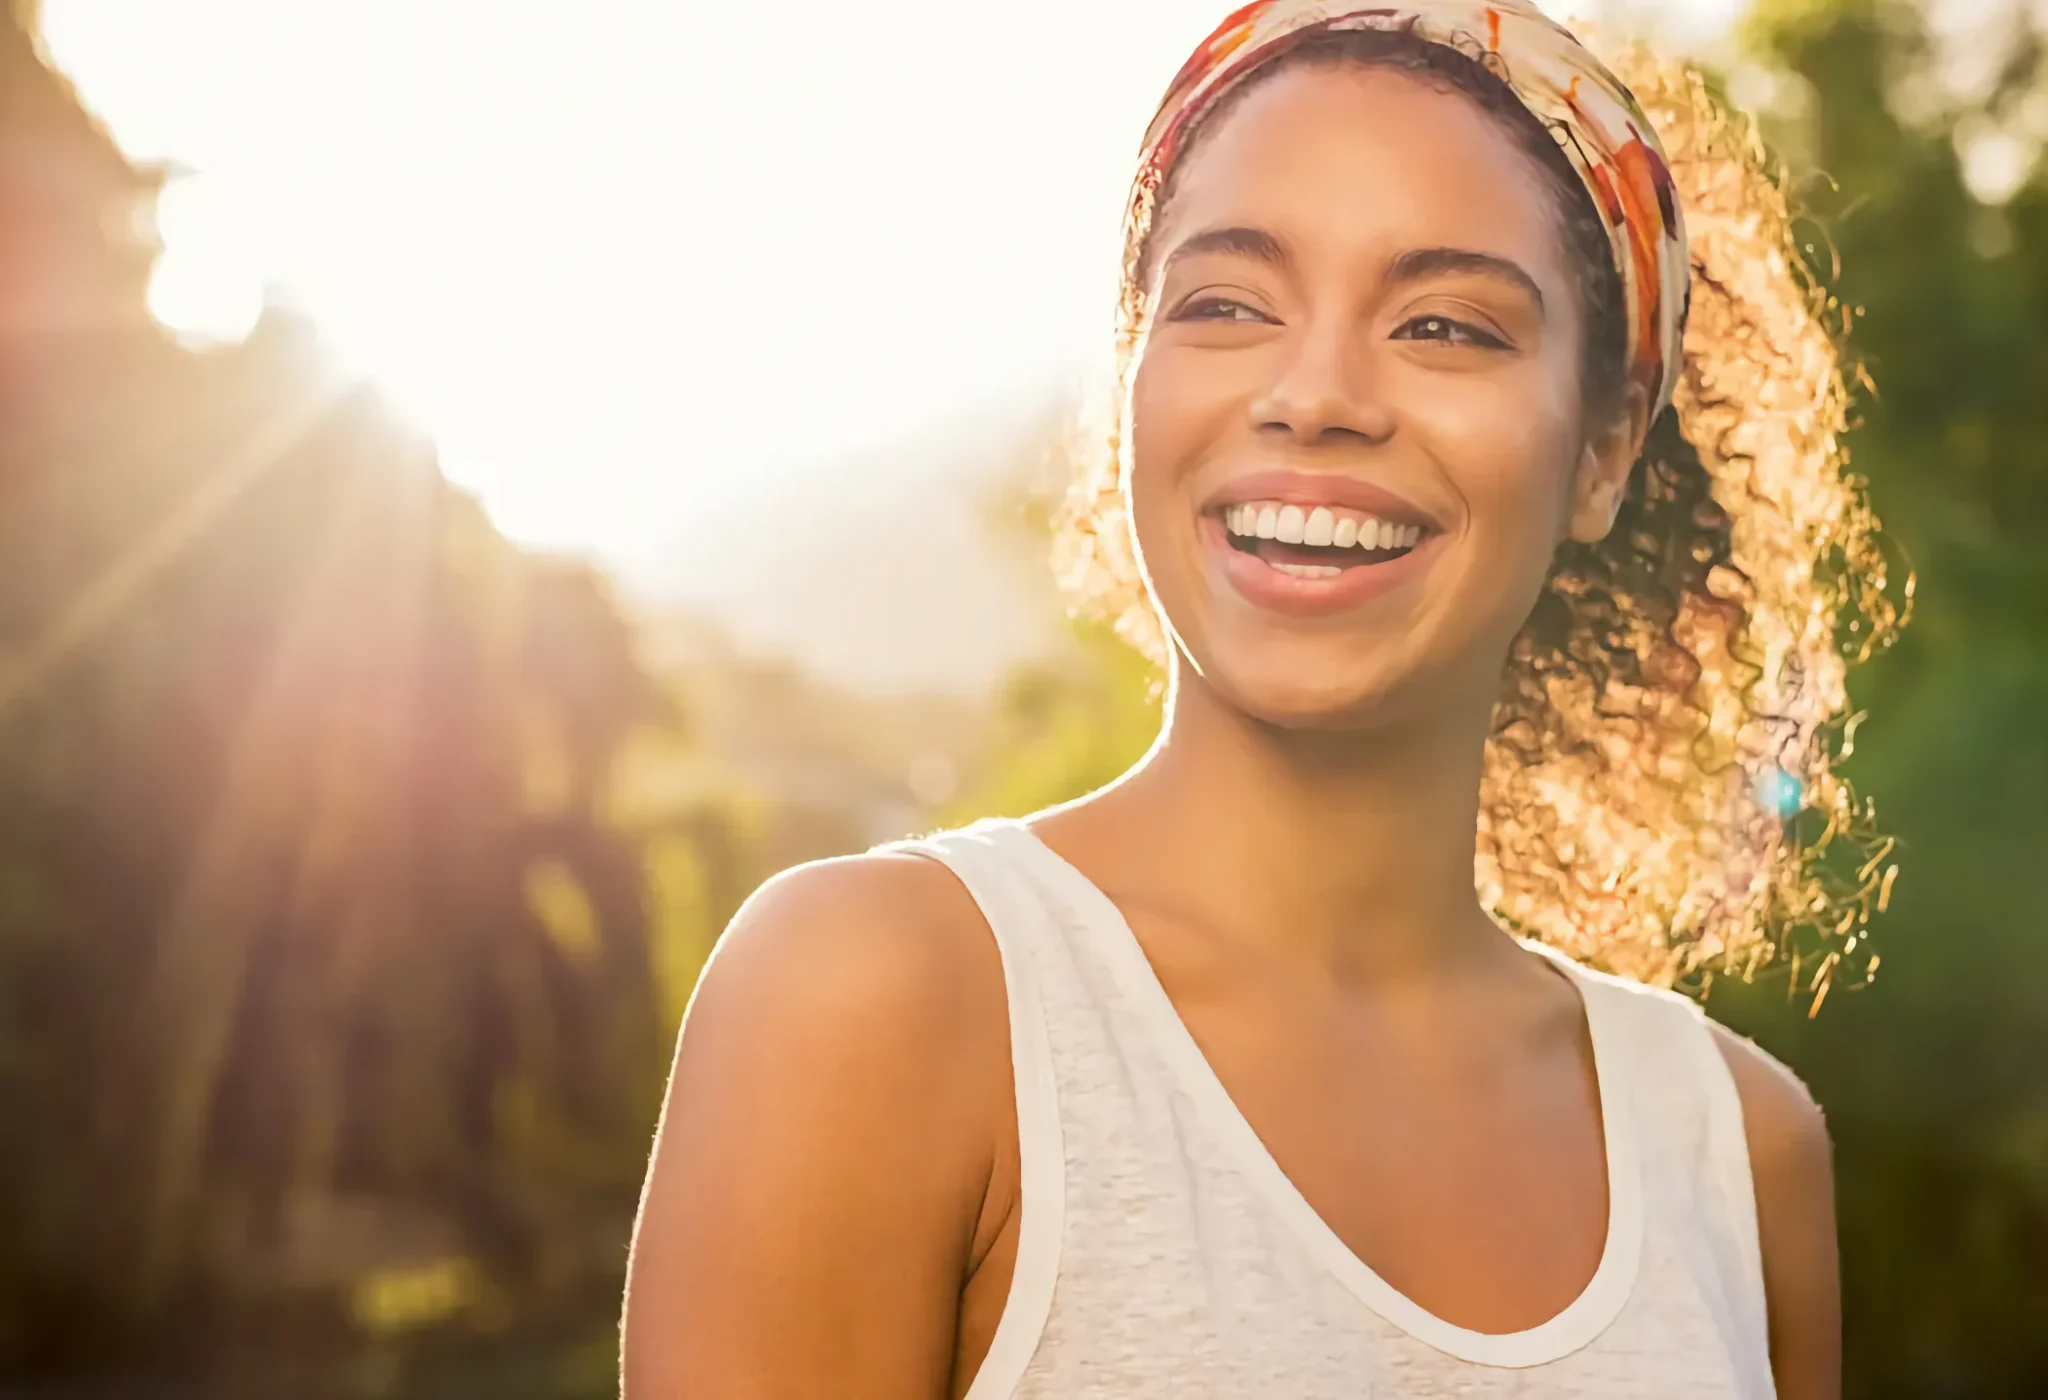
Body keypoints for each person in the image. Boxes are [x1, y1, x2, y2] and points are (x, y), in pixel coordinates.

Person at [623, 2, 1899, 1395]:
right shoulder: (877, 1000)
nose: (1316, 395)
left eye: (1445, 324)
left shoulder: (1740, 1154)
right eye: (1227, 304)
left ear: (1604, 447)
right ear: (1136, 381)